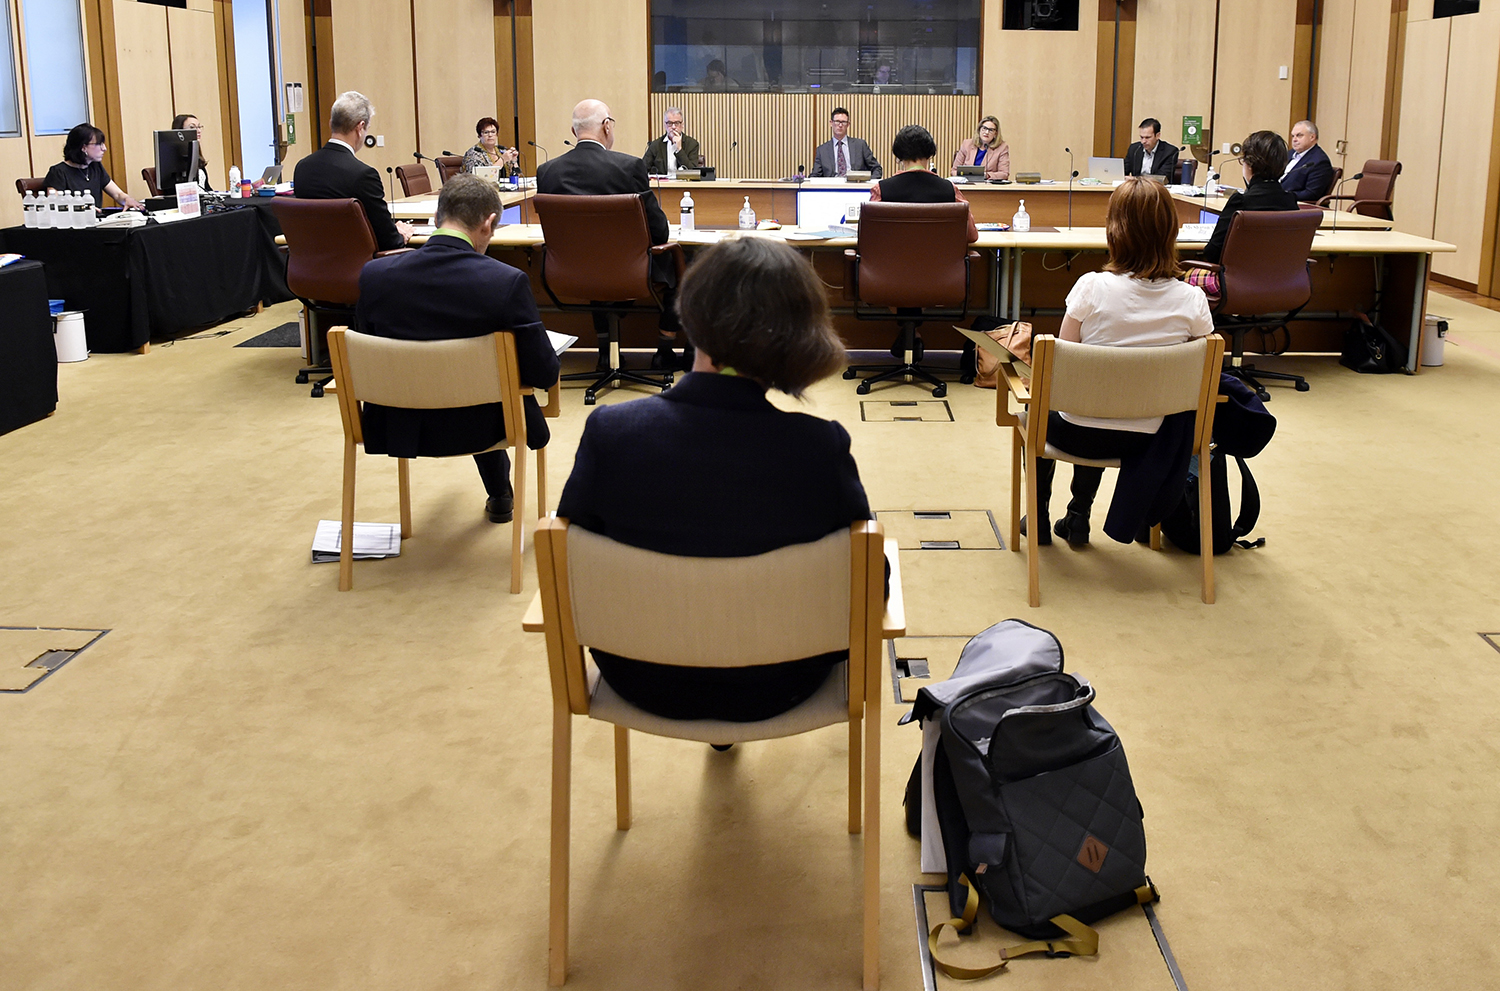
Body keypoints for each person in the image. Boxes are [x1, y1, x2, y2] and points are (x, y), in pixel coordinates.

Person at [555, 237, 871, 723]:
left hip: (641, 675)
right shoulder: (818, 448)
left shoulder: (612, 434)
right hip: (784, 681)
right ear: (799, 331)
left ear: (691, 313)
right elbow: (868, 586)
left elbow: (576, 566)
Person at [355, 176, 559, 524]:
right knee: (496, 387)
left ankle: (498, 490)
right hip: (486, 426)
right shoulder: (504, 282)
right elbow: (543, 373)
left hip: (398, 424)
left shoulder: (375, 276)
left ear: (437, 218)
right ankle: (501, 491)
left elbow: (363, 356)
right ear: (489, 223)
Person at [1024, 178, 1212, 548]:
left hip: (1076, 434)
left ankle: (1040, 515)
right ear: (1170, 231)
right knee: (1102, 399)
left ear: (1115, 230)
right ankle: (1078, 514)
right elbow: (1200, 374)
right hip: (1148, 440)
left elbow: (1064, 372)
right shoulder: (1192, 300)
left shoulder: (1091, 287)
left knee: (1055, 407)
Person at [536, 99, 686, 370]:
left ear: (574, 132)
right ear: (607, 127)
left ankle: (605, 352)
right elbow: (660, 232)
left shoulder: (547, 172)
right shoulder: (628, 167)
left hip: (570, 272)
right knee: (683, 262)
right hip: (630, 271)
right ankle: (664, 351)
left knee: (593, 261)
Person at [867, 124, 980, 360]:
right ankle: (914, 334)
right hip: (940, 279)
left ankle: (912, 334)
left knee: (901, 276)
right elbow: (971, 235)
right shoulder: (950, 190)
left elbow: (867, 241)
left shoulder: (881, 190)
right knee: (919, 277)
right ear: (930, 154)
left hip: (888, 278)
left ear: (898, 156)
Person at [292, 91, 411, 252]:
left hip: (309, 270)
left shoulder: (302, 168)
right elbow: (389, 241)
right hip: (359, 271)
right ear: (360, 128)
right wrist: (401, 235)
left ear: (331, 123)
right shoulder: (363, 175)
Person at [1185, 130, 1300, 296]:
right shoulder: (1291, 202)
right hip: (1282, 284)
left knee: (1183, 276)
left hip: (1233, 286)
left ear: (1249, 164)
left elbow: (1212, 252)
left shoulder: (1240, 202)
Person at [43, 124, 144, 210]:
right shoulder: (58, 172)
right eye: (99, 144)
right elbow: (54, 204)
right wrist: (82, 208)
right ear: (83, 147)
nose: (104, 148)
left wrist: (127, 199)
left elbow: (117, 194)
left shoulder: (95, 167)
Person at [810, 107, 882, 179]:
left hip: (855, 186)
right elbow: (815, 176)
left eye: (843, 122)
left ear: (848, 124)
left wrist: (868, 183)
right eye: (837, 121)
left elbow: (877, 169)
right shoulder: (822, 150)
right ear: (831, 123)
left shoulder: (860, 145)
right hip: (832, 187)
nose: (840, 125)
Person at [1280, 119, 1334, 202]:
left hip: (1294, 205)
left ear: (1312, 137)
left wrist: (1283, 195)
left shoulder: (1319, 161)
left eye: (1299, 135)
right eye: (1293, 136)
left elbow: (1311, 193)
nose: (1294, 139)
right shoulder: (1290, 153)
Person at [641, 106, 701, 176]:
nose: (673, 127)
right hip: (662, 185)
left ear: (682, 125)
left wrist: (679, 149)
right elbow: (642, 169)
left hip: (684, 185)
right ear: (665, 125)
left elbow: (692, 172)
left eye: (676, 123)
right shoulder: (656, 145)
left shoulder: (692, 144)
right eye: (669, 123)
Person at [950, 115, 1011, 181]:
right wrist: (965, 176)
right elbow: (954, 170)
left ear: (995, 134)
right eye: (984, 128)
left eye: (990, 130)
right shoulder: (967, 144)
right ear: (979, 130)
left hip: (987, 187)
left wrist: (986, 175)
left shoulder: (1002, 148)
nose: (986, 132)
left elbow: (1004, 174)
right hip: (966, 185)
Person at [1123, 118, 1179, 182]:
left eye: (1147, 137)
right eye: (1141, 137)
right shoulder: (1134, 149)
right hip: (1137, 189)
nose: (1143, 141)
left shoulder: (1170, 151)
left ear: (1158, 136)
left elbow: (1162, 178)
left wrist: (1136, 179)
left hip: (1156, 189)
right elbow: (1123, 170)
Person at [170, 114, 212, 189]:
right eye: (192, 127)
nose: (198, 131)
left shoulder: (196, 154)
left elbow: (207, 187)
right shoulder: (173, 159)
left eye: (199, 127)